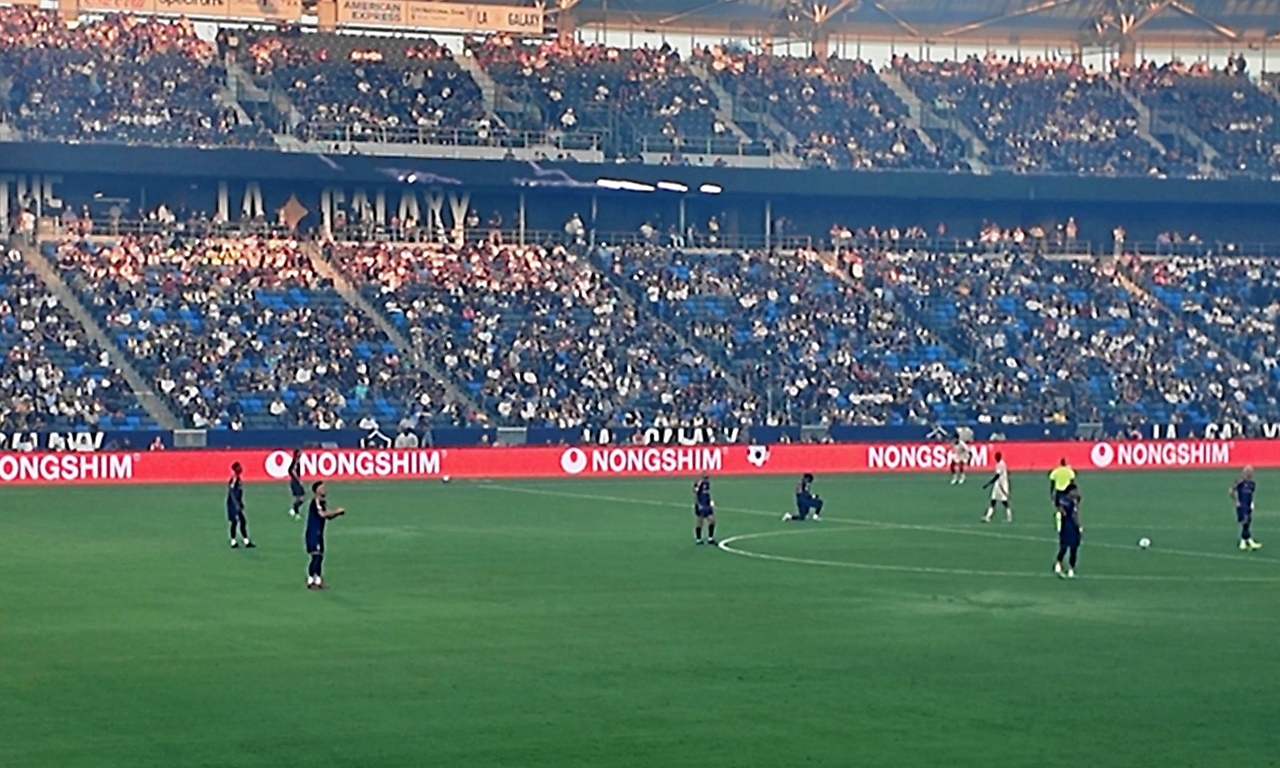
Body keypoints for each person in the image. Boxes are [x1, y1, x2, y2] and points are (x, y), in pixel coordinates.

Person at [306, 481, 346, 590]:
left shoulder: (322, 503)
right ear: (316, 490)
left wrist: (336, 514)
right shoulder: (316, 501)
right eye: (322, 488)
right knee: (316, 556)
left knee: (319, 556)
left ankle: (318, 581)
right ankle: (311, 580)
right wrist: (337, 511)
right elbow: (322, 514)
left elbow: (328, 516)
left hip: (319, 533)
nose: (325, 490)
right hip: (313, 533)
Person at [1231, 466, 1262, 550]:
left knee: (1248, 521)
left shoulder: (1252, 484)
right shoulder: (1240, 482)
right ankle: (1243, 540)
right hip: (1242, 505)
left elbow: (1251, 494)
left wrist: (1252, 503)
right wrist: (1236, 501)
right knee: (1244, 521)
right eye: (1248, 472)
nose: (1250, 474)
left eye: (1251, 472)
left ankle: (1247, 539)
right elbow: (1231, 491)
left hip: (1248, 505)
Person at [1054, 483, 1082, 578]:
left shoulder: (1063, 499)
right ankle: (1069, 568)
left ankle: (1060, 564)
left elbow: (1060, 509)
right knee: (1071, 548)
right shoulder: (1071, 502)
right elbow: (1074, 515)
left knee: (1066, 547)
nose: (1076, 493)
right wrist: (1079, 526)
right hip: (1070, 527)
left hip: (1065, 526)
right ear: (1070, 491)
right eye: (1074, 491)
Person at [226, 462, 254, 549]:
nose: (240, 469)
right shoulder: (234, 479)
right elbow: (231, 492)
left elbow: (238, 493)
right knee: (235, 522)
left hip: (237, 503)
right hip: (233, 504)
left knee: (242, 521)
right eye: (238, 467)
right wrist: (236, 504)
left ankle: (245, 541)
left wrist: (240, 502)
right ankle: (233, 541)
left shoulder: (238, 479)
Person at [982, 451, 1012, 522]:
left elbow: (997, 476)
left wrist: (988, 484)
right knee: (993, 501)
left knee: (1004, 502)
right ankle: (988, 517)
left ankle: (1009, 516)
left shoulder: (1001, 465)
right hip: (997, 485)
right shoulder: (1000, 464)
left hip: (1001, 485)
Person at [693, 473, 716, 545]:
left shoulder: (707, 484)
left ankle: (710, 538)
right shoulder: (698, 483)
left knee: (712, 521)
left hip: (707, 504)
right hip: (701, 505)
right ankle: (698, 539)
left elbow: (707, 494)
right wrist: (698, 504)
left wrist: (710, 501)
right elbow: (695, 494)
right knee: (700, 522)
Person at [288, 448, 305, 519]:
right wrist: (297, 479)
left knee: (300, 497)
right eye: (299, 452)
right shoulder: (295, 461)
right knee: (300, 498)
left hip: (295, 481)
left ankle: (294, 510)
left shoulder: (297, 461)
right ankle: (296, 512)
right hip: (295, 481)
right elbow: (292, 470)